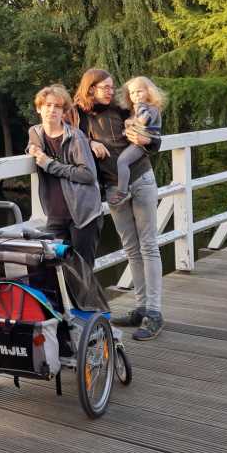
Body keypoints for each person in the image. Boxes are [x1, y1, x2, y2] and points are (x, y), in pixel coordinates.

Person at [74, 68, 165, 341]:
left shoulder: (121, 109)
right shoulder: (78, 114)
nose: (111, 91)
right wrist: (89, 142)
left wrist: (149, 139)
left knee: (148, 245)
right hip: (113, 188)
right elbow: (67, 137)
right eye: (105, 87)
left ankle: (154, 313)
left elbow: (153, 137)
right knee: (131, 248)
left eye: (112, 87)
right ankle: (140, 308)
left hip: (141, 179)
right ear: (90, 89)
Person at [26, 84, 102, 267]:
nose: (52, 110)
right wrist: (31, 148)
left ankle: (86, 297)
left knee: (82, 271)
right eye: (48, 105)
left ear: (64, 112)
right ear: (39, 108)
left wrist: (49, 164)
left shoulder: (76, 137)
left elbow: (88, 175)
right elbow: (33, 141)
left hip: (83, 214)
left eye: (57, 107)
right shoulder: (35, 132)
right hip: (55, 215)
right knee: (55, 271)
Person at [107, 76, 165, 206]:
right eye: (132, 93)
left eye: (139, 91)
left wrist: (134, 118)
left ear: (148, 92)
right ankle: (123, 189)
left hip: (142, 143)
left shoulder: (148, 107)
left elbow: (144, 120)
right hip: (138, 141)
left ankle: (122, 191)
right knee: (123, 161)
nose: (136, 95)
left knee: (122, 161)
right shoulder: (138, 108)